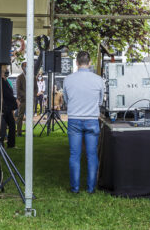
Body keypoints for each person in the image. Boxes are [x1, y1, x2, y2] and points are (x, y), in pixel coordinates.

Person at [63, 51, 104, 194]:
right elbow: (100, 101)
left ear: (76, 63)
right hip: (92, 119)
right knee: (92, 155)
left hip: (74, 118)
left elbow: (66, 100)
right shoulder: (99, 80)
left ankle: (75, 188)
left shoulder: (68, 79)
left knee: (74, 155)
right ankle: (91, 188)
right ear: (90, 62)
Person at [15, 62, 37, 136]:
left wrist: (33, 95)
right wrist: (27, 95)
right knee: (20, 116)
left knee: (30, 117)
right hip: (23, 100)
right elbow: (18, 90)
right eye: (25, 66)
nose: (27, 67)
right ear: (22, 68)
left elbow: (35, 88)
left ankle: (30, 133)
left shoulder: (33, 77)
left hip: (31, 100)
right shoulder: (19, 77)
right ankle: (19, 132)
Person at [1, 65, 17, 148]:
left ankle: (11, 144)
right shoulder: (2, 81)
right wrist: (15, 101)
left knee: (11, 124)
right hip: (5, 107)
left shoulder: (5, 81)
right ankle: (7, 144)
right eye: (5, 71)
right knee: (6, 125)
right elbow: (7, 94)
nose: (6, 72)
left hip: (8, 107)